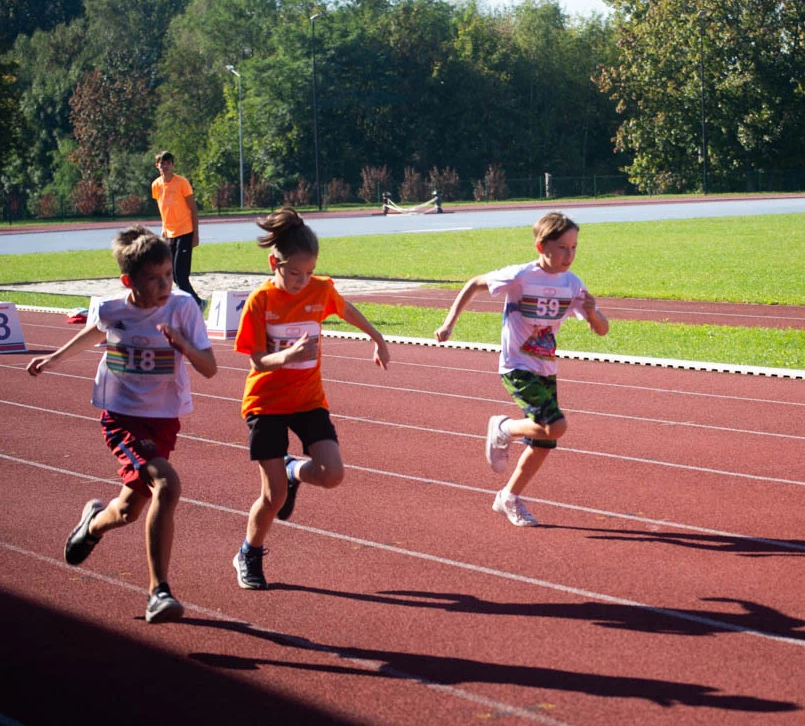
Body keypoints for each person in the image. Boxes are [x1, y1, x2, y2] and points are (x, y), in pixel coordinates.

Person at [26, 225, 217, 622]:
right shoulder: (112, 308)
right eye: (154, 278)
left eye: (169, 274)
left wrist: (183, 345)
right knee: (168, 484)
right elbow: (91, 334)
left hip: (163, 421)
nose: (166, 284)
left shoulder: (182, 309)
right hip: (122, 418)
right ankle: (158, 592)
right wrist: (53, 360)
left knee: (130, 510)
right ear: (128, 281)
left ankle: (92, 524)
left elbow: (210, 368)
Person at [233, 206, 391, 590]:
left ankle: (293, 468)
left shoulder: (320, 290)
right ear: (274, 262)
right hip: (266, 403)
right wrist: (286, 356)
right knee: (273, 498)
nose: (301, 282)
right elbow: (256, 359)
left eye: (308, 273)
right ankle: (248, 553)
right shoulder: (260, 301)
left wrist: (377, 337)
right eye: (293, 273)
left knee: (333, 475)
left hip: (307, 400)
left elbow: (345, 308)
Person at [434, 211, 610, 526]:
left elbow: (602, 330)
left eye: (574, 248)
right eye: (562, 248)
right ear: (541, 247)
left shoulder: (572, 284)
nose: (569, 255)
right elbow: (474, 283)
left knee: (543, 442)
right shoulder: (520, 277)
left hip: (546, 367)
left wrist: (593, 313)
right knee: (556, 426)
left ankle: (508, 497)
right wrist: (449, 323)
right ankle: (503, 428)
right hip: (516, 365)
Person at [151, 150, 202, 308]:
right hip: (169, 234)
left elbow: (193, 209)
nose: (165, 166)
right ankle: (190, 304)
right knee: (171, 274)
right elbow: (163, 209)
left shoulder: (182, 183)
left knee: (181, 274)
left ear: (172, 165)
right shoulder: (156, 185)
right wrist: (163, 228)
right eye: (162, 163)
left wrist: (195, 234)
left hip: (185, 231)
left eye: (168, 163)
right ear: (157, 165)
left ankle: (197, 303)